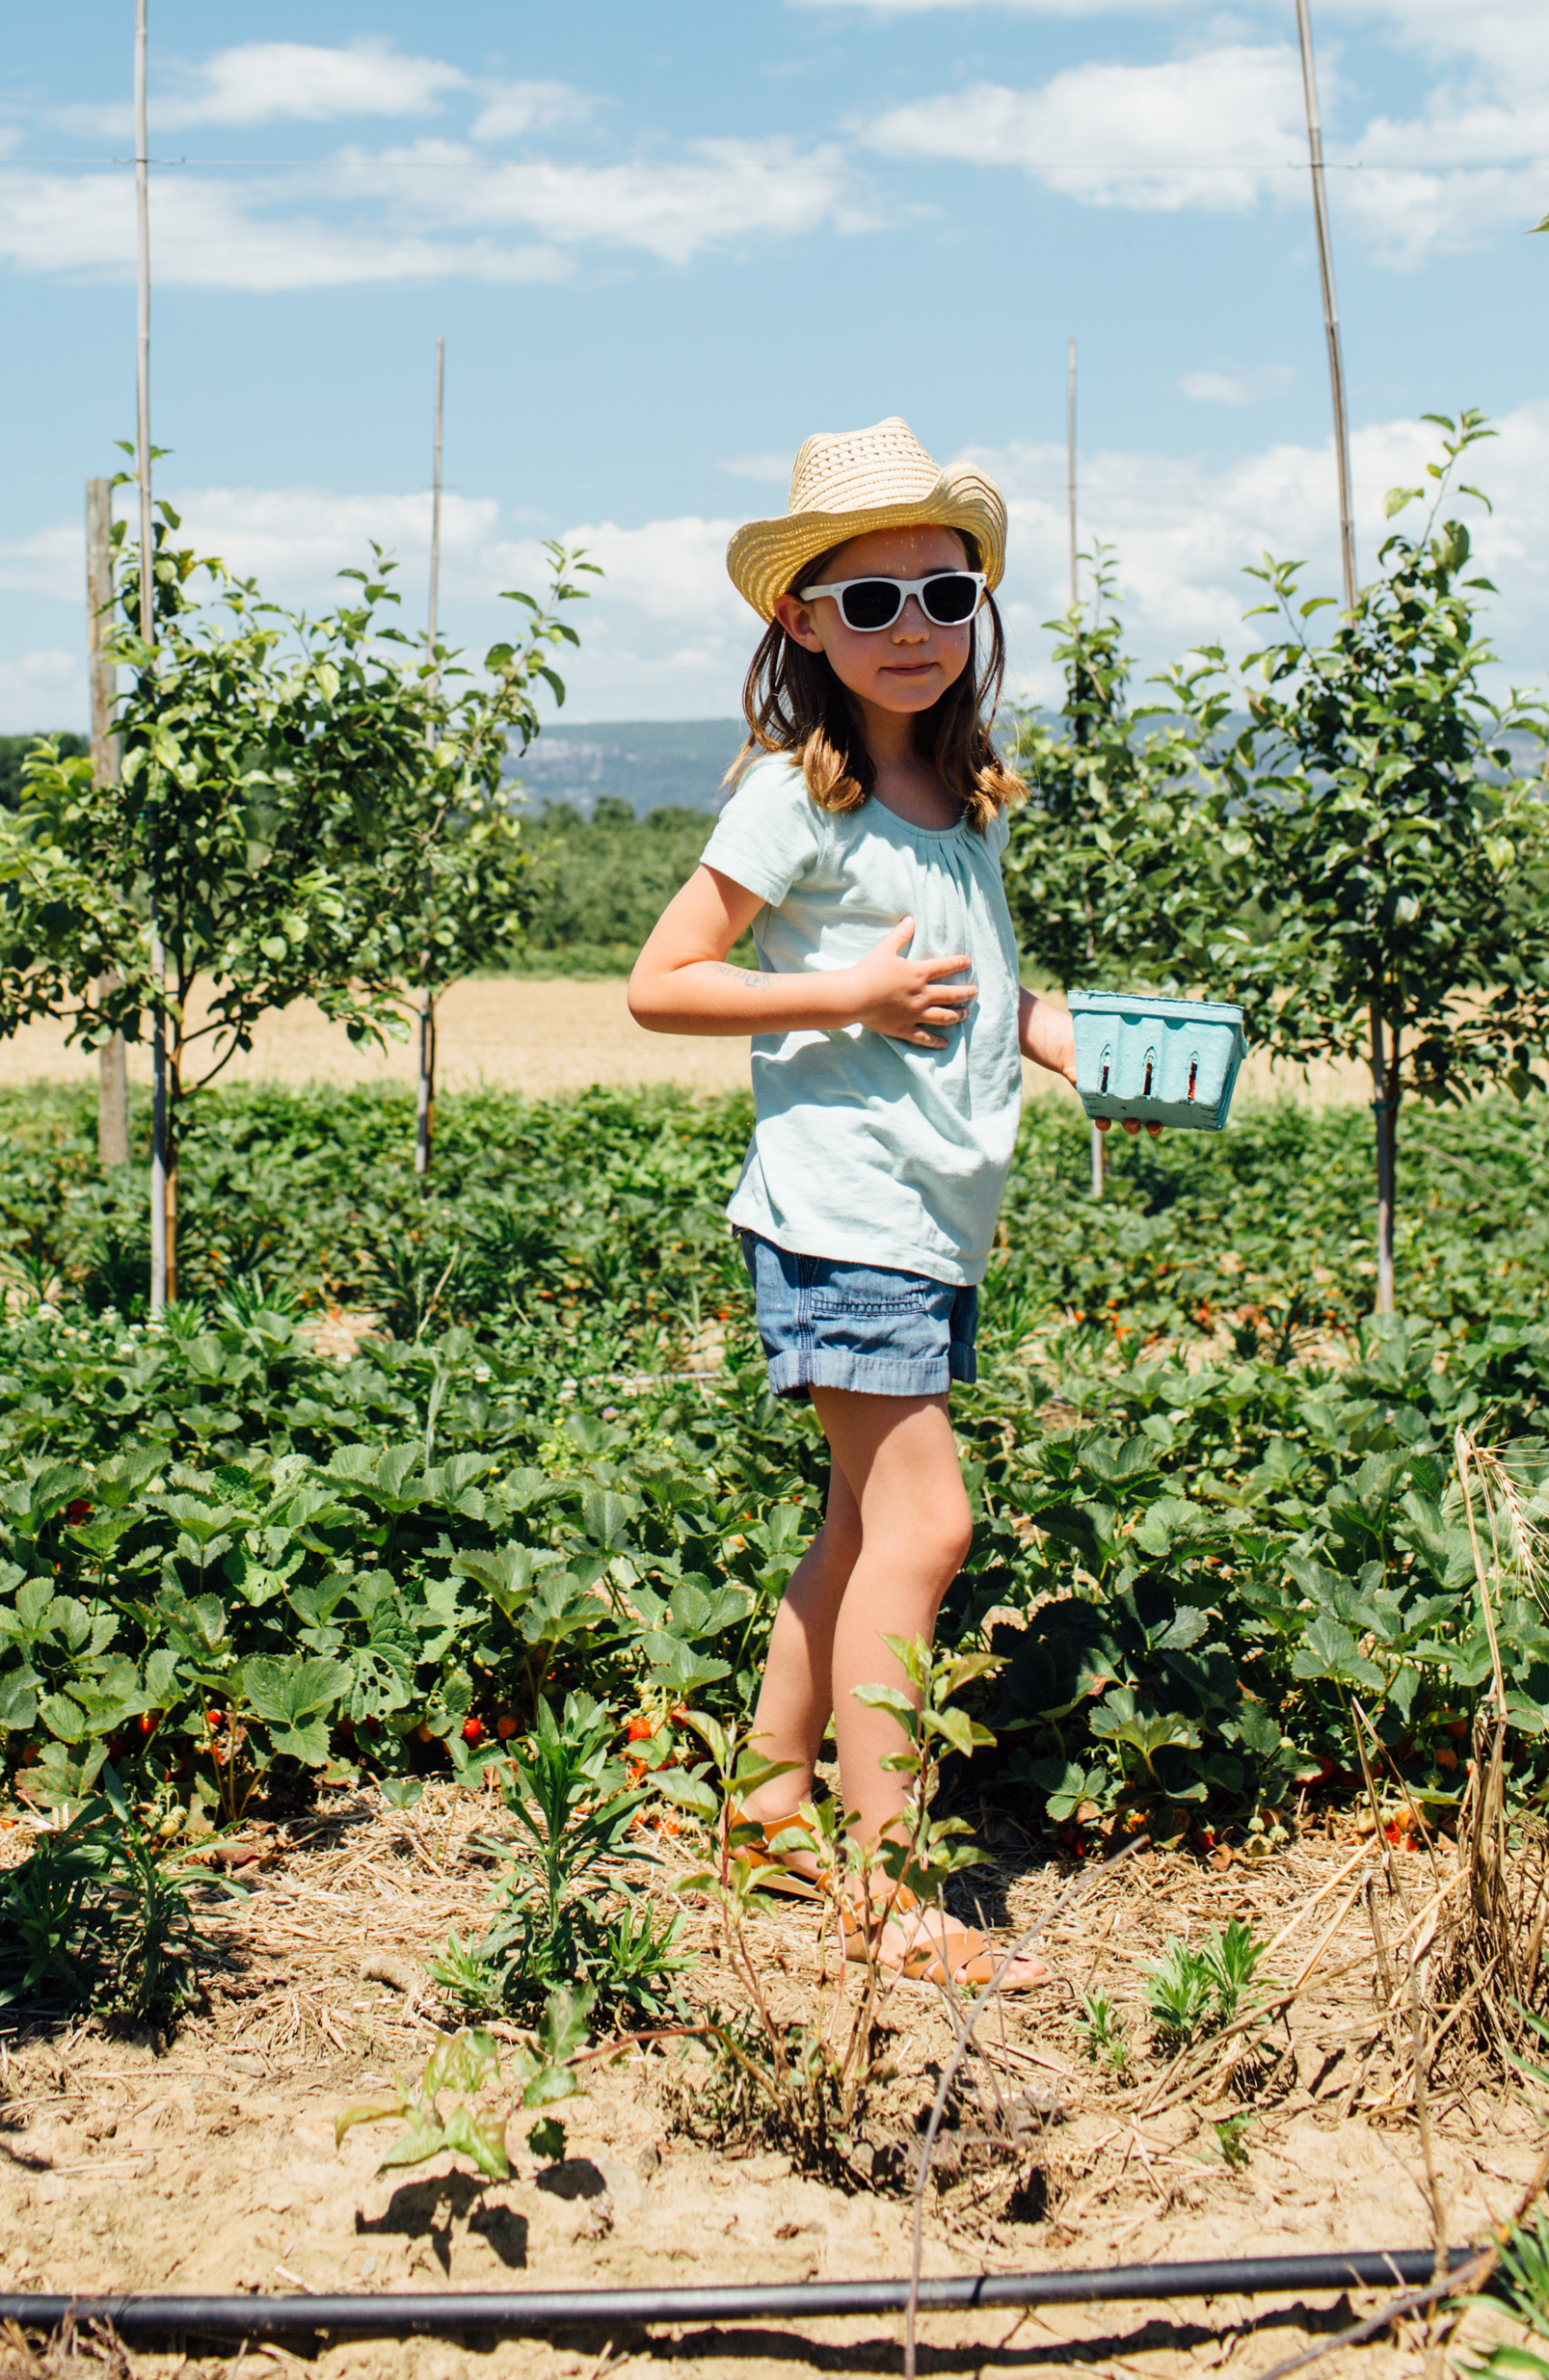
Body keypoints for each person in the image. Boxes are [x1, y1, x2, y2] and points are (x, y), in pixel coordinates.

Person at [628, 414, 1082, 1989]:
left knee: (854, 1530)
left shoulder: (963, 799)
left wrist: (1086, 1046)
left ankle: (763, 1811)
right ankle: (887, 1894)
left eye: (942, 599)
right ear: (801, 619)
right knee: (929, 1521)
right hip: (840, 1215)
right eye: (869, 602)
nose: (910, 632)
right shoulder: (792, 800)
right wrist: (846, 997)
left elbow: (993, 986)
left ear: (981, 618)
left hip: (930, 1219)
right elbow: (660, 982)